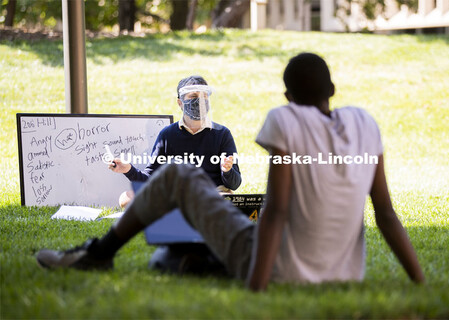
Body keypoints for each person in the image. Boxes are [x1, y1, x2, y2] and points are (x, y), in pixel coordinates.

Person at [36, 53, 425, 290]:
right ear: (333, 89)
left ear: (288, 97)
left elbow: (275, 211)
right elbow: (386, 213)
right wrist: (419, 282)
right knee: (177, 232)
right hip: (343, 274)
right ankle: (190, 259)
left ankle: (100, 253)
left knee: (175, 179)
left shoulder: (285, 121)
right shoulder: (366, 124)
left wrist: (256, 287)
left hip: (277, 266)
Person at [110, 75, 241, 207]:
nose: (200, 101)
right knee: (125, 199)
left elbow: (234, 184)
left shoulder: (222, 133)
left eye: (204, 97)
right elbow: (150, 178)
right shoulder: (168, 134)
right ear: (180, 103)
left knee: (225, 199)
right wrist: (128, 169)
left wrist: (227, 170)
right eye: (193, 96)